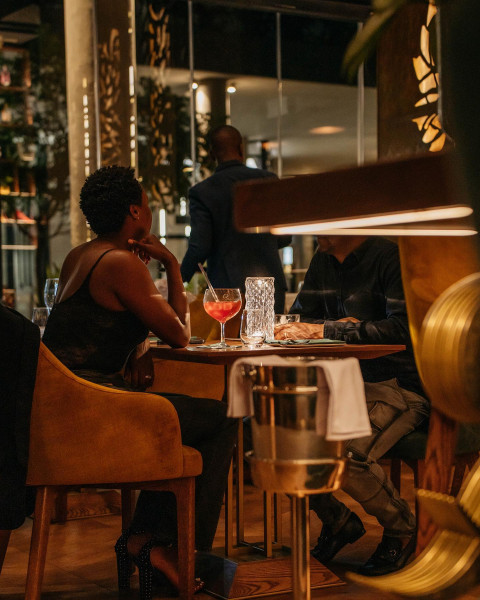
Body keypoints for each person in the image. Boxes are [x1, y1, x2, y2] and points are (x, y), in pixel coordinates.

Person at [42, 166, 237, 594]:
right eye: (146, 203)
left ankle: (147, 540)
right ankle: (177, 550)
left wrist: (137, 349)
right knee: (221, 418)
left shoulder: (81, 255)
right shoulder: (120, 264)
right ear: (135, 211)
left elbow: (92, 328)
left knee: (180, 418)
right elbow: (180, 335)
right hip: (94, 412)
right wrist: (171, 262)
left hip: (66, 409)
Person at [274, 235, 429, 576]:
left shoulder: (389, 257)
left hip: (398, 385)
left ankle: (402, 529)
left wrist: (327, 330)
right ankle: (338, 521)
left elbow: (401, 329)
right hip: (341, 383)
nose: (314, 229)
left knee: (344, 454)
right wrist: (335, 328)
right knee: (271, 436)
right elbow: (300, 320)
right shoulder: (323, 260)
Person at [180, 124, 291, 314]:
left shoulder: (203, 192)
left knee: (230, 334)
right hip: (269, 288)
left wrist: (179, 279)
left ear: (212, 154)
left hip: (227, 289)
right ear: (241, 148)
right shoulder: (269, 181)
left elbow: (200, 247)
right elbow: (285, 237)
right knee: (272, 333)